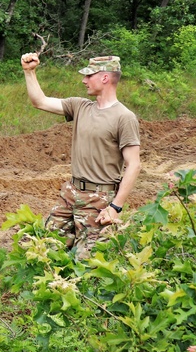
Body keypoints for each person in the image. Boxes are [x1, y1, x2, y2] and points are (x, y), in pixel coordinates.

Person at [20, 53, 141, 258]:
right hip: (70, 193)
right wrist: (29, 72)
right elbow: (39, 101)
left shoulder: (124, 117)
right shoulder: (80, 106)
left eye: (89, 75)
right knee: (46, 251)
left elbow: (134, 165)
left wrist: (115, 207)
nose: (84, 80)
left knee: (87, 263)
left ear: (104, 78)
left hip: (99, 199)